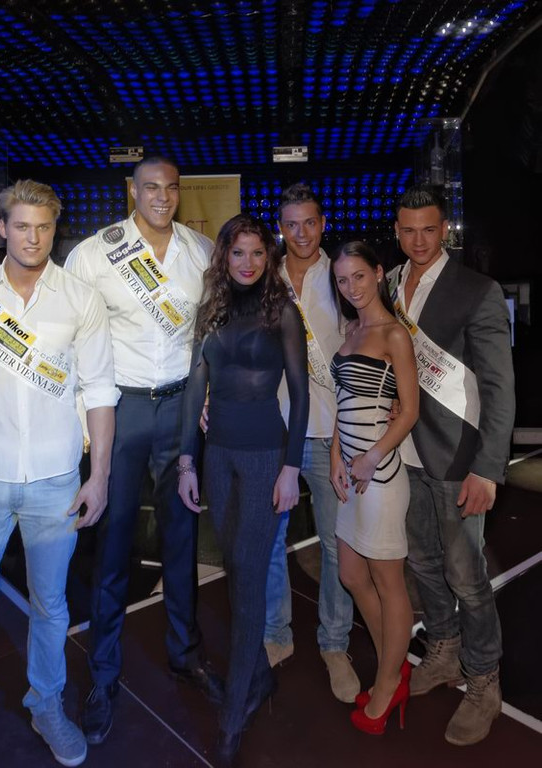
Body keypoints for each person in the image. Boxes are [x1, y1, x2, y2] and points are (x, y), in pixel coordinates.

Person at [0, 179, 120, 768]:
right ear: (3, 228)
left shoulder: (80, 299)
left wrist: (99, 477)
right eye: (22, 226)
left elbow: (99, 392)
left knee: (51, 608)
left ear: (55, 230)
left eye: (44, 227)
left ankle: (46, 705)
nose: (33, 238)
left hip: (56, 481)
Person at [65, 156, 221, 747]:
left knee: (183, 537)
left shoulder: (201, 252)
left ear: (180, 193)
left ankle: (185, 654)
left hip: (181, 408)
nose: (161, 197)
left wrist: (208, 397)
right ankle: (103, 675)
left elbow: (210, 334)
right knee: (112, 543)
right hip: (120, 409)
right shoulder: (94, 254)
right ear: (131, 191)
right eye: (150, 187)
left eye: (171, 188)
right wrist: (85, 424)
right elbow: (72, 342)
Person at [178, 213, 309, 766]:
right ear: (224, 257)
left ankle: (233, 714)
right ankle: (259, 676)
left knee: (250, 577)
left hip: (263, 459)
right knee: (236, 567)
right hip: (218, 457)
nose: (248, 263)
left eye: (258, 253)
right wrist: (187, 460)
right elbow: (195, 387)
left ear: (268, 257)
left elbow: (300, 394)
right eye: (238, 253)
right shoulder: (211, 309)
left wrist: (291, 468)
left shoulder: (283, 312)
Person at [390, 186, 515, 745]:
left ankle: (484, 679)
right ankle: (443, 648)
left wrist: (488, 469)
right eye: (408, 230)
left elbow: (499, 387)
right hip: (405, 453)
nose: (419, 240)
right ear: (397, 231)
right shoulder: (391, 284)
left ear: (445, 230)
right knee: (421, 563)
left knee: (467, 576)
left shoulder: (477, 291)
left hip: (459, 459)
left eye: (429, 229)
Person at [263, 183, 361, 703]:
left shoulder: (342, 275)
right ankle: (275, 633)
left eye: (309, 223)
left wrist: (351, 434)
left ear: (323, 224)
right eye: (291, 224)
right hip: (274, 432)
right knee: (269, 542)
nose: (301, 233)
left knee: (334, 545)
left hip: (330, 433)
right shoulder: (264, 275)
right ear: (281, 228)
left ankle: (334, 643)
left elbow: (362, 350)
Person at [328, 241, 419, 735]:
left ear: (379, 273)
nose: (351, 287)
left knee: (388, 582)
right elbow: (343, 401)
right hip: (351, 475)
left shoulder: (394, 335)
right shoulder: (351, 330)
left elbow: (409, 412)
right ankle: (393, 666)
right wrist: (336, 456)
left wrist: (369, 457)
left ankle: (387, 686)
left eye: (359, 276)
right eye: (342, 280)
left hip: (381, 478)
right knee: (351, 574)